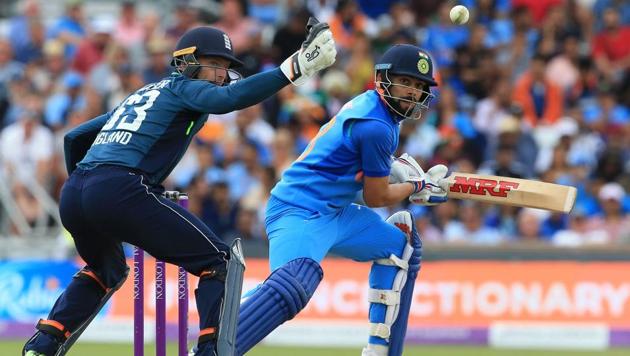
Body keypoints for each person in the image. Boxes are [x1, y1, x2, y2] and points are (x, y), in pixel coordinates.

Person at [22, 20, 336, 356]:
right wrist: (296, 67)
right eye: (214, 63)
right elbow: (230, 98)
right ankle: (209, 351)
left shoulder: (143, 93)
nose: (220, 73)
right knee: (220, 263)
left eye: (225, 67)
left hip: (76, 191)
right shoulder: (184, 87)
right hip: (119, 188)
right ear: (186, 62)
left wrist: (88, 191)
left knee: (106, 270)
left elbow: (75, 138)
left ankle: (44, 343)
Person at [235, 44, 448, 356]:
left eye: (419, 87)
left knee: (401, 248)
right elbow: (376, 197)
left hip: (335, 211)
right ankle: (216, 340)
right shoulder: (377, 126)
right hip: (299, 208)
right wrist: (416, 185)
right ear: (384, 79)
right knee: (291, 287)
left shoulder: (377, 109)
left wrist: (396, 170)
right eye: (407, 82)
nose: (413, 92)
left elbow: (355, 165)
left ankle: (380, 351)